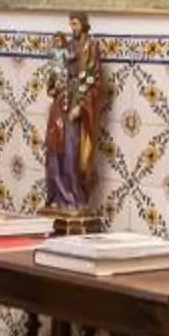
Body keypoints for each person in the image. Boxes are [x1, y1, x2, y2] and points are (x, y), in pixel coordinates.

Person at [41, 12, 105, 216]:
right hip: (61, 100)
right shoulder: (67, 47)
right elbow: (56, 69)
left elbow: (94, 80)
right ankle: (56, 196)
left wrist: (81, 105)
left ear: (84, 25)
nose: (72, 27)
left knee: (72, 152)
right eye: (70, 23)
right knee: (54, 148)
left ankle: (73, 197)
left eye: (75, 23)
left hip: (77, 103)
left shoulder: (91, 48)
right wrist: (53, 86)